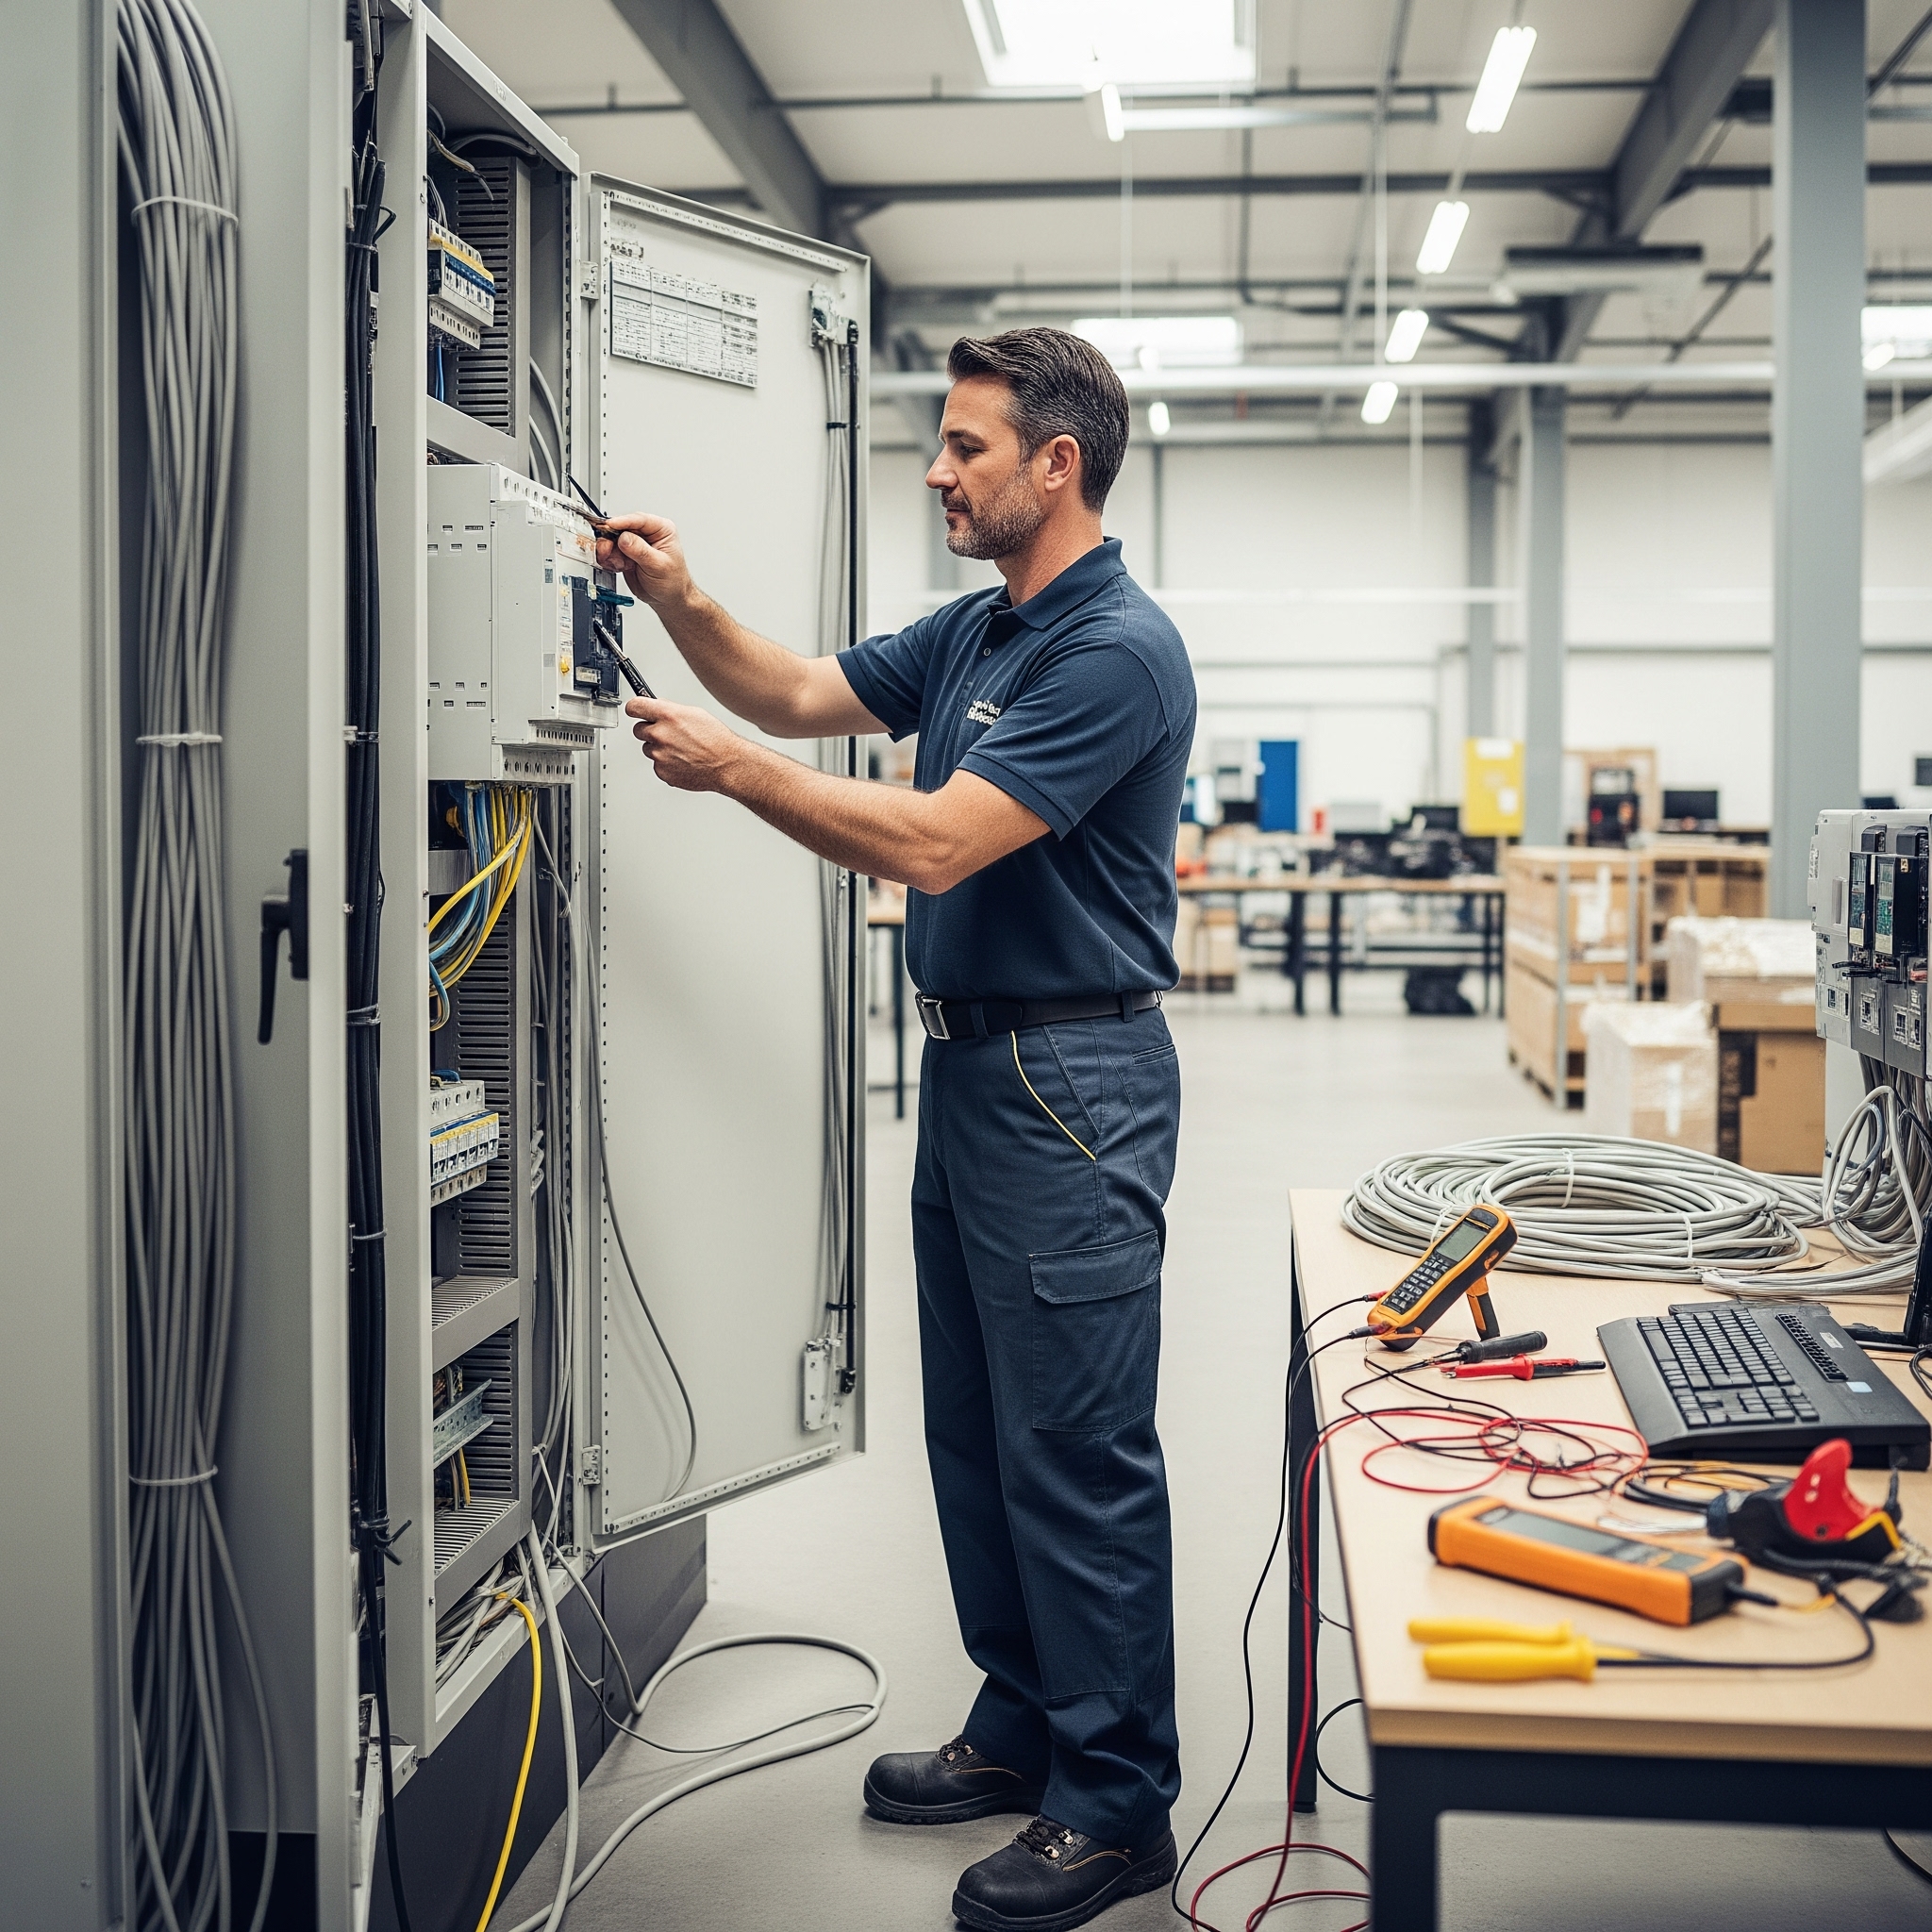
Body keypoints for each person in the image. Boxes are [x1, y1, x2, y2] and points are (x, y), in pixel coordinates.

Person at [594, 325, 1195, 1932]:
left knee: (1073, 1448)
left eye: (966, 446)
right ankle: (1025, 1720)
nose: (937, 469)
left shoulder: (1113, 650)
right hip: (977, 1075)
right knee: (981, 1434)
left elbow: (935, 845)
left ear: (1055, 464)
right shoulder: (981, 631)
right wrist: (676, 600)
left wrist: (729, 776)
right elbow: (798, 689)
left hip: (1072, 1087)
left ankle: (1118, 1799)